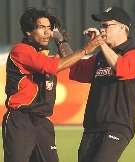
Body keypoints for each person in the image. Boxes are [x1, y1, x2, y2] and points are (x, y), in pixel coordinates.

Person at [2, 8, 102, 162]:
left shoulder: (46, 55)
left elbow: (69, 63)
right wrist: (86, 49)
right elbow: (52, 66)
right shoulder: (21, 50)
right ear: (29, 31)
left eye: (49, 28)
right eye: (42, 28)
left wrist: (60, 38)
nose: (47, 32)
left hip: (43, 121)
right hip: (20, 119)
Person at [69, 6, 135, 162]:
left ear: (122, 27)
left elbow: (123, 69)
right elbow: (76, 69)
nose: (101, 30)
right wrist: (60, 41)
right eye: (100, 26)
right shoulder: (100, 57)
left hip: (117, 126)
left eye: (106, 26)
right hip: (92, 127)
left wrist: (101, 44)